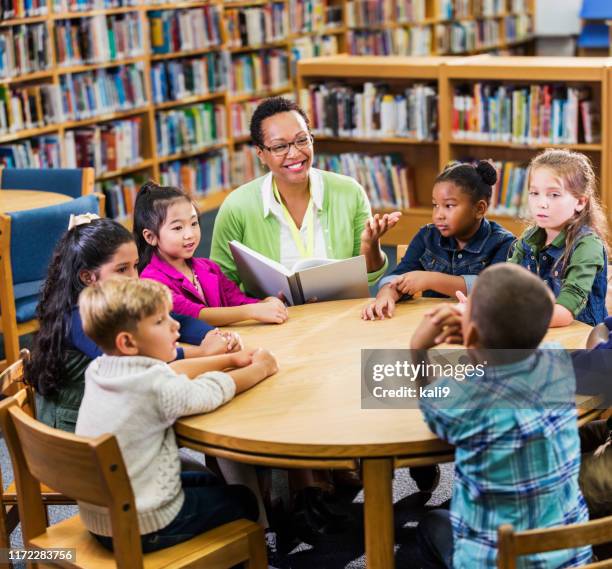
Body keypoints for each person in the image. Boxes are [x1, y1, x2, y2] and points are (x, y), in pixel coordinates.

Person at [75, 277, 278, 553]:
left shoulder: (101, 368)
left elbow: (170, 372)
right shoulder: (154, 388)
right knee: (244, 500)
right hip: (144, 525)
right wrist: (261, 369)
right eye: (160, 321)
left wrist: (230, 360)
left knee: (209, 481)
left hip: (103, 513)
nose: (176, 326)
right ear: (127, 342)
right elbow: (210, 391)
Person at [411, 263, 591, 568]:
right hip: (570, 555)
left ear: (473, 332)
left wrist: (417, 349)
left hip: (498, 560)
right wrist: (478, 342)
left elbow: (432, 408)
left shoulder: (464, 397)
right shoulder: (558, 361)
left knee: (430, 526)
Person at [26, 216, 239, 433]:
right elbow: (137, 360)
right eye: (121, 270)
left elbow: (173, 318)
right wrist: (203, 352)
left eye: (135, 266)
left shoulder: (112, 300)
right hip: (78, 438)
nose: (133, 278)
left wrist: (211, 334)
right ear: (88, 278)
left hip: (112, 422)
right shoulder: (79, 316)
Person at [210, 96, 400, 290]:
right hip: (270, 317)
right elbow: (220, 284)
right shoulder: (237, 206)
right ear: (260, 153)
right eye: (280, 146)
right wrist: (257, 309)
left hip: (338, 313)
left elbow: (369, 277)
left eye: (302, 140)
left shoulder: (350, 192)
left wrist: (370, 243)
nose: (294, 154)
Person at [362, 160, 515, 320]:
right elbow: (396, 277)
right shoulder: (426, 236)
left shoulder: (504, 243)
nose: (438, 215)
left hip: (478, 327)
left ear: (479, 209)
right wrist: (385, 295)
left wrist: (430, 279)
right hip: (432, 324)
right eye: (435, 205)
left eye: (449, 206)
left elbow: (492, 289)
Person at [136, 182, 289, 326]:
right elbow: (195, 315)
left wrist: (265, 303)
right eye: (177, 228)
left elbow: (237, 300)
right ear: (151, 237)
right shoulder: (150, 282)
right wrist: (252, 311)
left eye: (194, 223)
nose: (189, 234)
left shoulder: (209, 267)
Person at [508, 149, 609, 327]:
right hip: (538, 333)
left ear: (580, 202)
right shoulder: (529, 238)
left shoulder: (587, 245)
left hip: (582, 342)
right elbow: (504, 283)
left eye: (554, 195)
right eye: (534, 193)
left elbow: (564, 312)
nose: (541, 203)